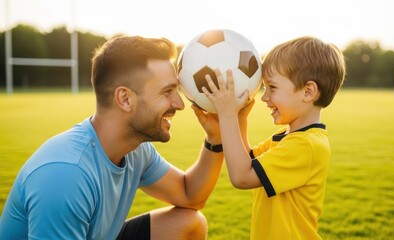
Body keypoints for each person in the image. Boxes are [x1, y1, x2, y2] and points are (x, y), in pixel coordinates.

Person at [0, 36, 225, 240]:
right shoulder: (66, 175)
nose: (180, 104)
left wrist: (215, 137)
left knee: (189, 224)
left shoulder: (136, 150)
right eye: (167, 92)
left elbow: (190, 195)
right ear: (125, 98)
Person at [201, 36, 346, 239]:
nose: (265, 97)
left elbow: (242, 177)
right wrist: (240, 120)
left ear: (308, 91)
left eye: (273, 87)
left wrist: (227, 116)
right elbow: (249, 161)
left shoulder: (306, 145)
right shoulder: (287, 137)